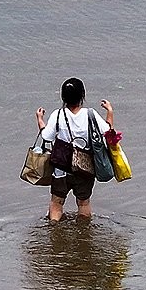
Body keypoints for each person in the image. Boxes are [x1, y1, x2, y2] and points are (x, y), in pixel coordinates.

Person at [36, 77, 114, 222]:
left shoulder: (57, 115)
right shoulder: (91, 114)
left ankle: (54, 231)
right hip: (85, 168)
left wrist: (40, 119)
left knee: (56, 202)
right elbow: (108, 132)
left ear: (63, 97)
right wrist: (109, 111)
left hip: (61, 169)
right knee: (83, 202)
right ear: (82, 95)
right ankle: (84, 232)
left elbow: (47, 136)